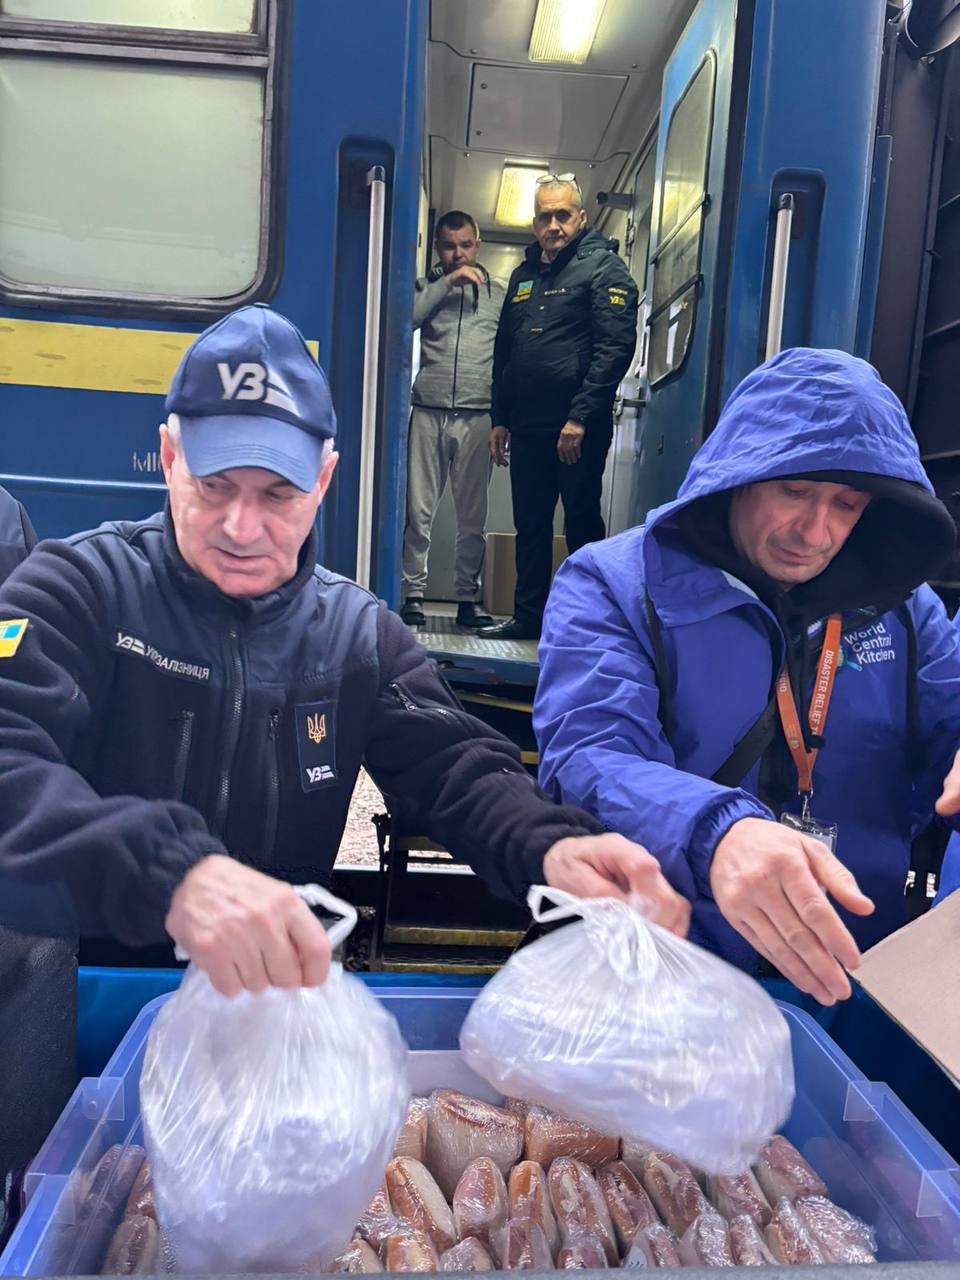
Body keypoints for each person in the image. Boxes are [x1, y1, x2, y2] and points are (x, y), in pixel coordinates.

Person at [0, 303, 689, 1002]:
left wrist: (552, 845)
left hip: (264, 1007)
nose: (242, 527)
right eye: (215, 487)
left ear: (324, 480)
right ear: (171, 459)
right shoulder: (76, 588)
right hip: (71, 1001)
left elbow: (457, 768)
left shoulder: (358, 635)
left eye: (278, 494)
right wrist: (168, 875)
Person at [534, 347, 960, 1007]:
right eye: (794, 491)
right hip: (663, 976)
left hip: (851, 982)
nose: (815, 531)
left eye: (847, 505)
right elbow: (588, 756)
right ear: (740, 472)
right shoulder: (613, 583)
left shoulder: (908, 610)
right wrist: (719, 830)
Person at [478, 175, 639, 641]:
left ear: (581, 217)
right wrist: (500, 418)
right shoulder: (524, 277)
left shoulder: (604, 268)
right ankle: (528, 617)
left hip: (576, 428)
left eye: (562, 215)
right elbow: (505, 353)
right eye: (545, 216)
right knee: (529, 524)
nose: (554, 225)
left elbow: (614, 347)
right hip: (527, 426)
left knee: (581, 522)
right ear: (535, 223)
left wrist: (580, 417)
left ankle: (588, 622)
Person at [400, 212, 505, 629]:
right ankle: (413, 594)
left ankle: (467, 598)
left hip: (478, 414)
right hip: (428, 408)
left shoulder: (500, 295)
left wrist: (504, 417)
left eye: (465, 245)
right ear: (438, 249)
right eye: (448, 246)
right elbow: (405, 320)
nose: (457, 254)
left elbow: (510, 354)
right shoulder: (426, 288)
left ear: (478, 245)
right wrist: (448, 283)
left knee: (472, 518)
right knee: (418, 511)